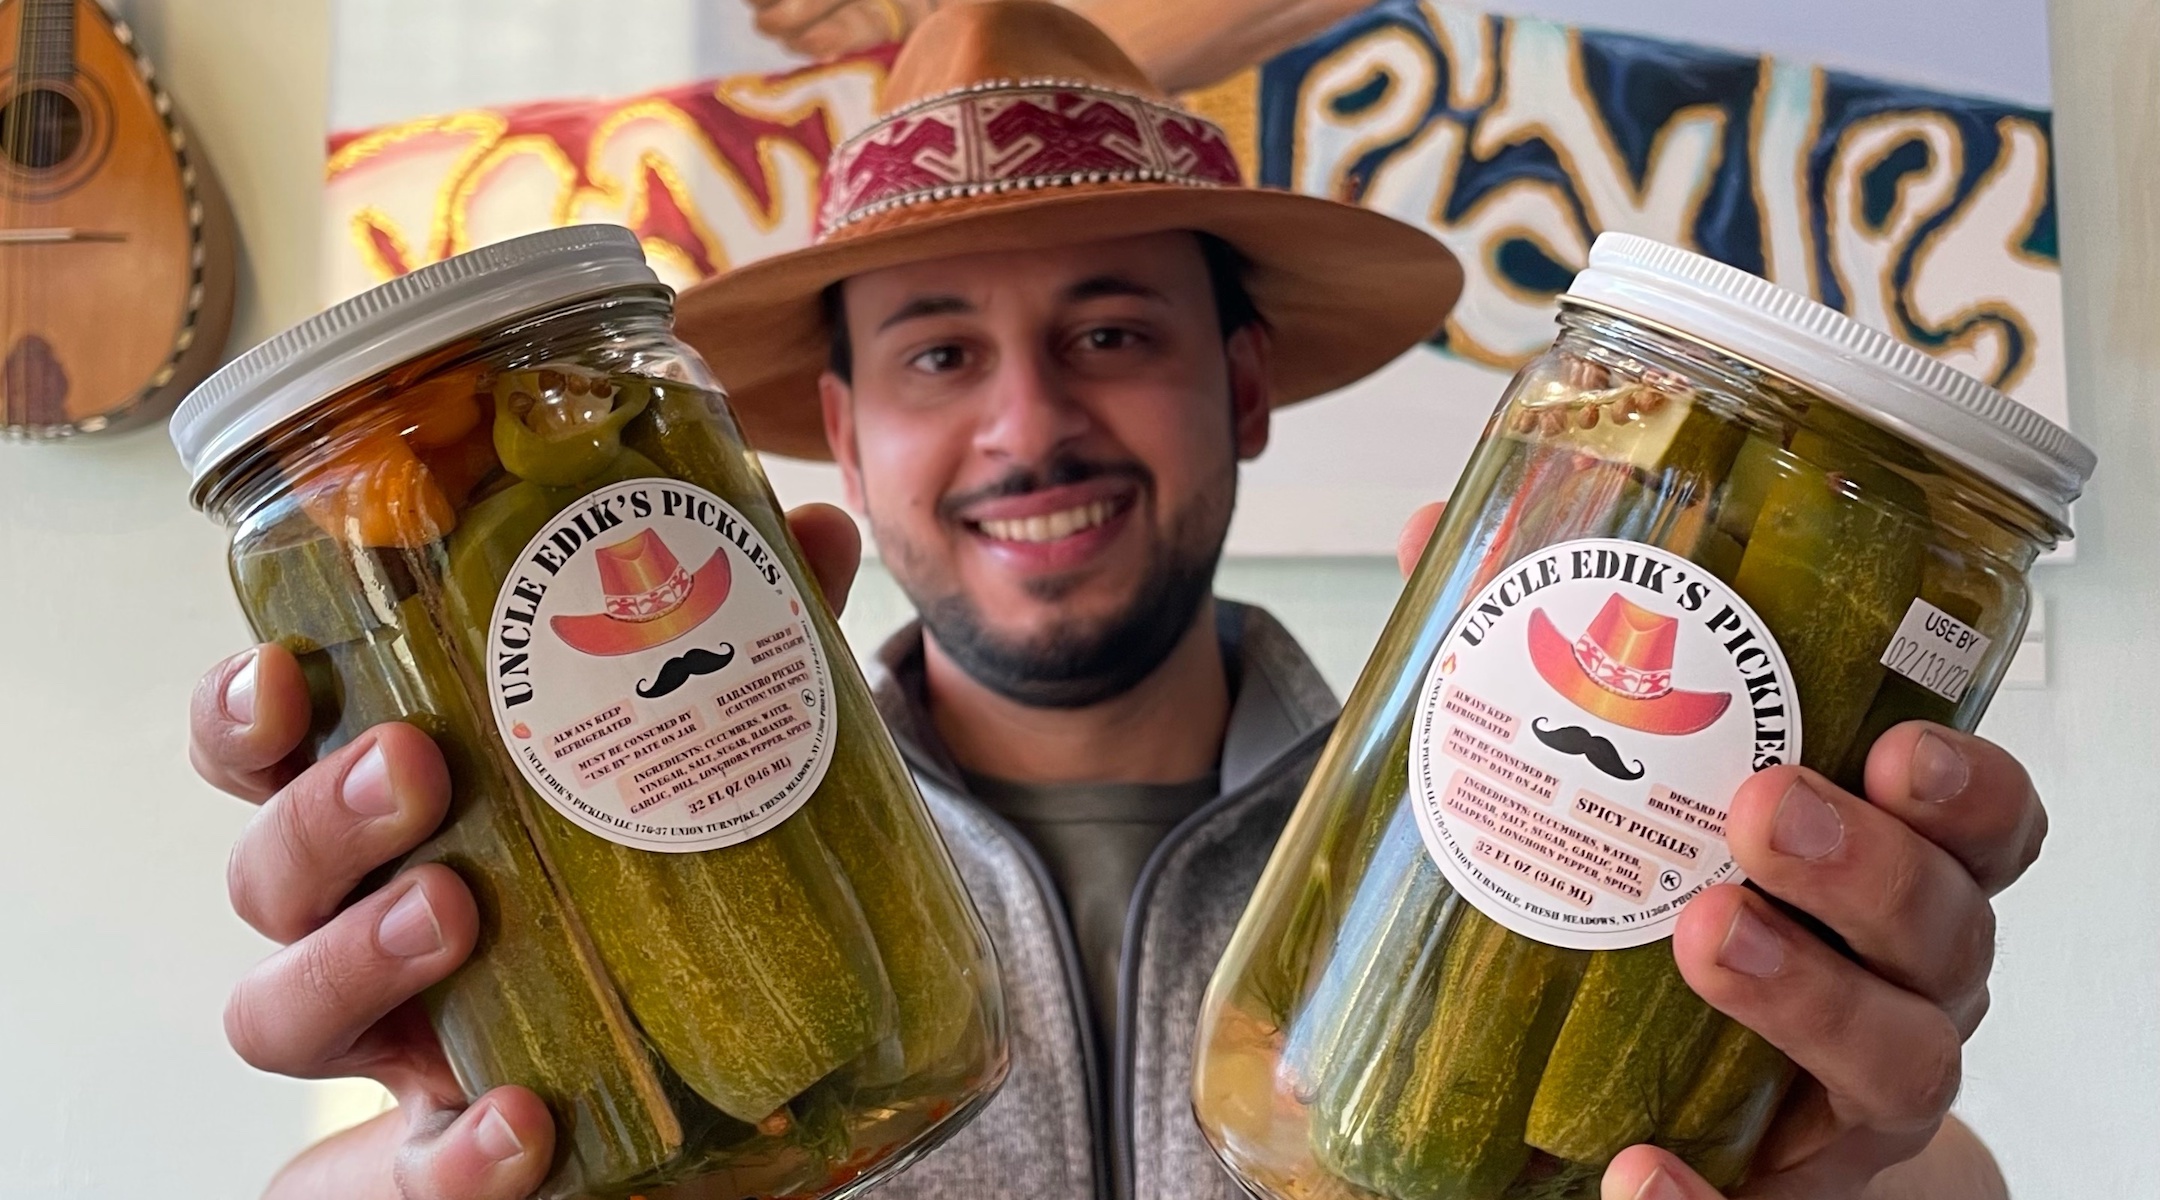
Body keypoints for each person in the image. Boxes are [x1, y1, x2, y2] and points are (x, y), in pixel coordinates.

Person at [189, 5, 2035, 1199]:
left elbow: (1915, 1170)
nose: (1029, 421)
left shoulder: (1551, 812)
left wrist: (1858, 1159)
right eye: (934, 355)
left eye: (1112, 329)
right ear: (831, 436)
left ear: (1244, 388)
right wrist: (426, 1151)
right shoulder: (583, 876)